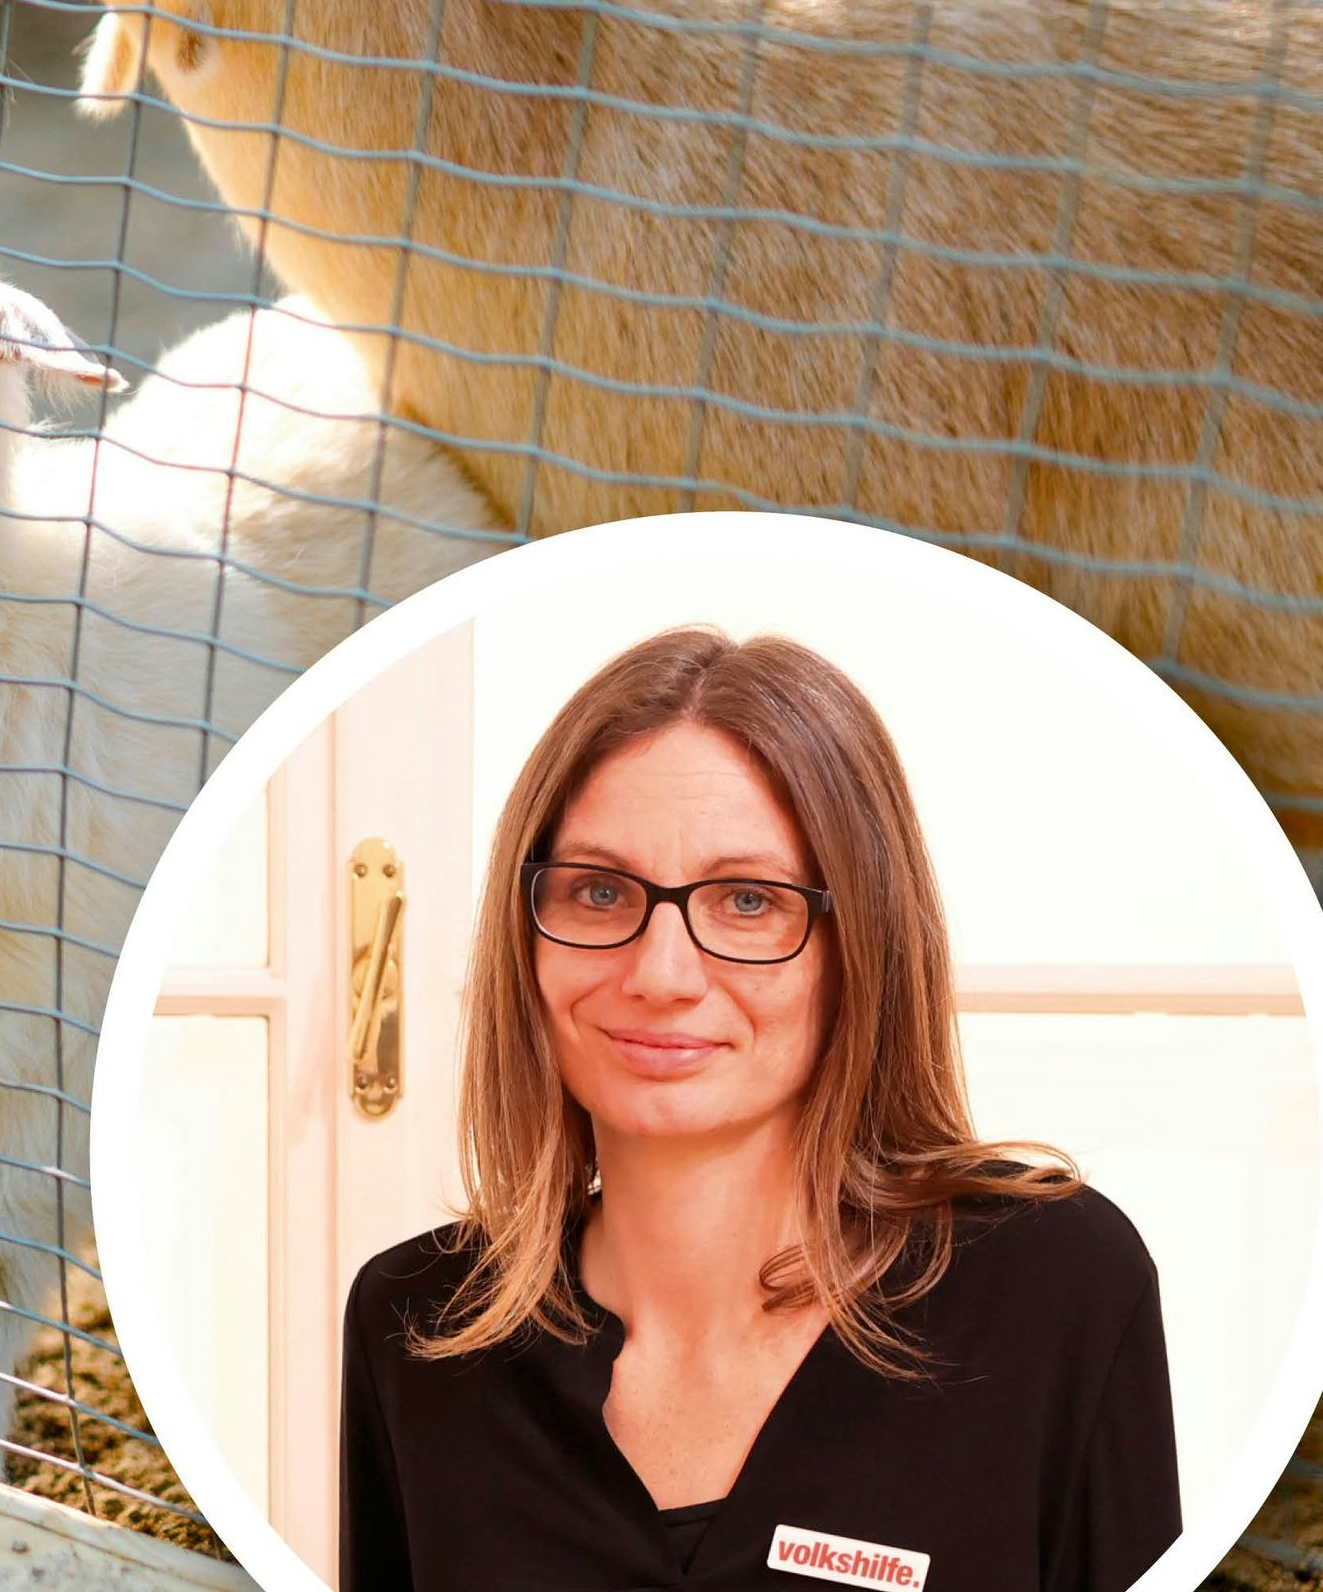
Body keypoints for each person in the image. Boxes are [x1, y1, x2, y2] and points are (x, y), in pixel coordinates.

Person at [342, 629, 1176, 1592]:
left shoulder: (1055, 1286)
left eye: (747, 902)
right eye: (600, 891)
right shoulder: (415, 1325)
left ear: (862, 941)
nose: (660, 975)